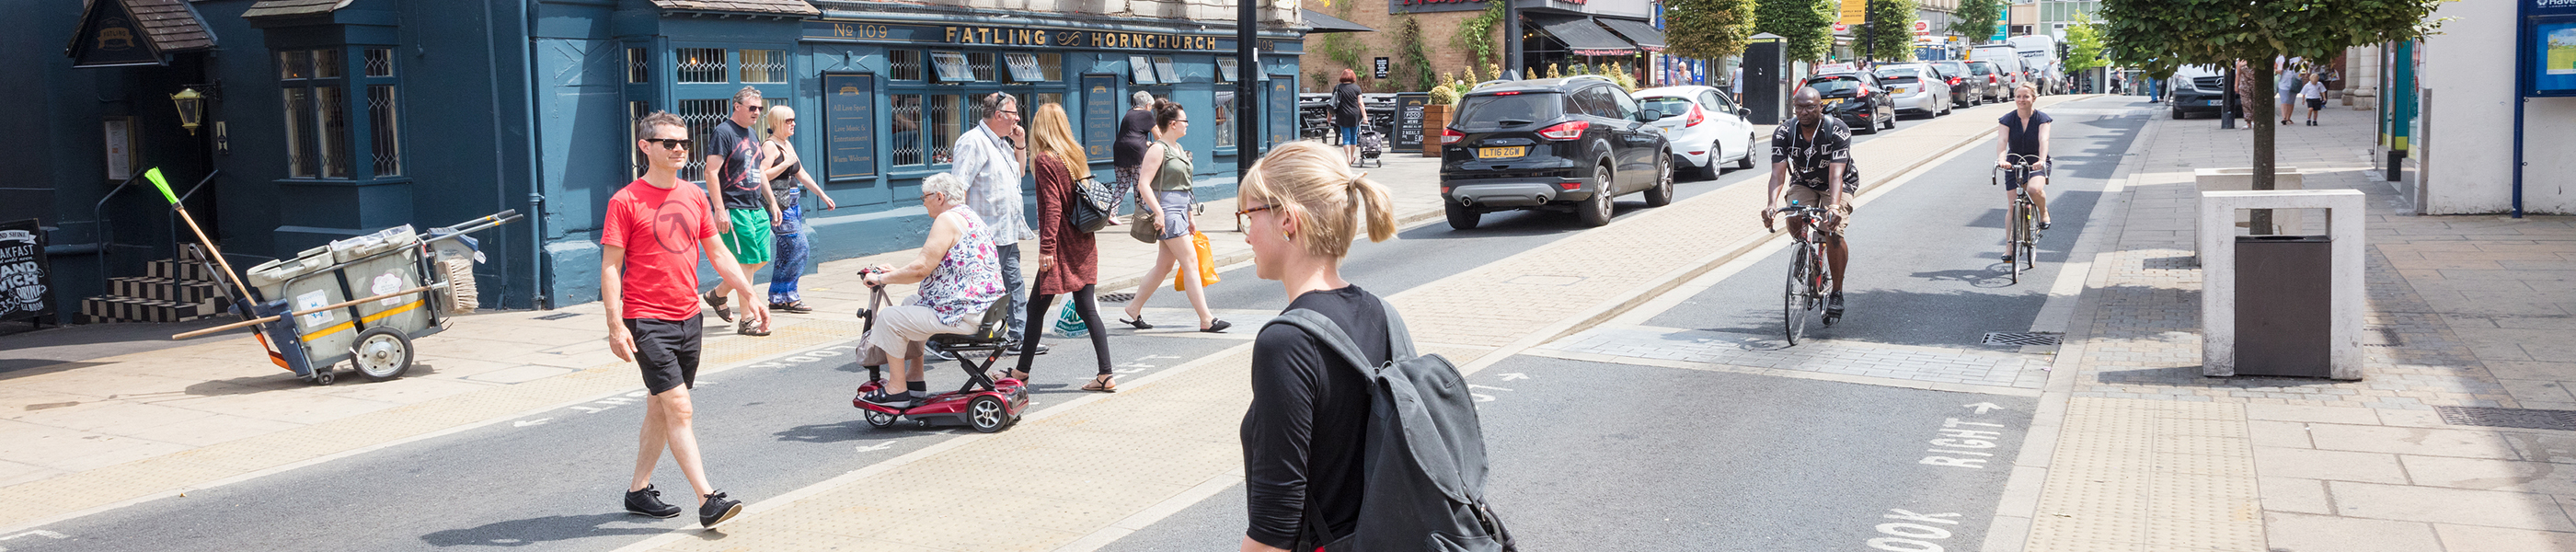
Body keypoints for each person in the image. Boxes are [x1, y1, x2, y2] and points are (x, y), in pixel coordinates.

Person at [604, 111, 768, 528]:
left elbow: (717, 252)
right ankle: (708, 499)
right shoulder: (625, 201)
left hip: (688, 316)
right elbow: (610, 267)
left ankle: (638, 491)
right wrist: (615, 324)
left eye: (684, 143)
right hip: (646, 318)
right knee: (680, 407)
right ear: (646, 147)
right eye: (669, 144)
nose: (680, 150)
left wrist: (749, 294)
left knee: (660, 408)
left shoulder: (694, 196)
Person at [1235, 141, 1399, 552]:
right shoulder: (1380, 313)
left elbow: (1274, 527)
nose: (1246, 234)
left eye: (1248, 215)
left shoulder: (1286, 343)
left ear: (1287, 220)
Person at [857, 173, 1007, 408]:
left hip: (966, 314)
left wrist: (881, 278)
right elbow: (940, 268)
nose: (923, 201)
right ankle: (915, 380)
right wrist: (897, 271)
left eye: (925, 196)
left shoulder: (946, 220)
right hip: (986, 311)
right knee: (911, 302)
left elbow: (920, 268)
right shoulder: (969, 216)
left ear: (939, 197)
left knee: (889, 318)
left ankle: (897, 390)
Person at [1013, 103, 1118, 392]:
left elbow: (1053, 207)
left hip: (1060, 245)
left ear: (1040, 127)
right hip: (1083, 241)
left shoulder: (1046, 159)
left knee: (1035, 309)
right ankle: (1106, 374)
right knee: (1087, 308)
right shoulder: (1074, 153)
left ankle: (1021, 372)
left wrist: (1046, 248)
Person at [1117, 100, 1229, 333]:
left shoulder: (1178, 149)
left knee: (1164, 266)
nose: (1188, 125)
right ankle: (1206, 319)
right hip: (1167, 212)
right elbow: (1143, 184)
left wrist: (1190, 214)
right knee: (1190, 262)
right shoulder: (1158, 149)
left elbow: (1184, 186)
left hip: (1179, 211)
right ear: (1173, 123)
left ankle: (1133, 308)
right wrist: (1159, 212)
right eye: (1185, 121)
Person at [949, 92, 1041, 352]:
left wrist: (1020, 144)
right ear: (999, 115)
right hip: (985, 234)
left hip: (1007, 230)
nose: (1018, 119)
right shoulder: (973, 142)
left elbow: (1020, 172)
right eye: (1014, 114)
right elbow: (958, 187)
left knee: (1014, 285)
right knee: (973, 289)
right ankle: (941, 336)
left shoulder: (1002, 143)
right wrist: (963, 231)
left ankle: (1019, 336)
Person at [1761, 86, 1859, 319]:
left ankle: (1836, 291)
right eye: (1799, 107)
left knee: (1832, 231)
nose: (1804, 112)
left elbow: (1836, 175)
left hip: (1838, 183)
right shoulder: (1784, 132)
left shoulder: (1837, 130)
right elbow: (1778, 174)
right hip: (1804, 181)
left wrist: (1833, 207)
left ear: (1820, 107)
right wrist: (1771, 204)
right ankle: (1807, 255)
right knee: (1793, 216)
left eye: (1810, 107)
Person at [701, 86, 779, 337]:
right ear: (737, 107)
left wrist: (772, 202)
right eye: (752, 108)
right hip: (734, 207)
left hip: (756, 206)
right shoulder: (724, 132)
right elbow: (710, 171)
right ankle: (747, 319)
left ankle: (718, 294)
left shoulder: (752, 134)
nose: (757, 112)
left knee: (761, 259)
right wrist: (720, 209)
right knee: (745, 262)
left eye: (759, 108)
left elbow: (758, 172)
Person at [757, 105, 837, 314]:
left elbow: (801, 174)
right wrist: (785, 165)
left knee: (786, 252)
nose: (793, 124)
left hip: (793, 203)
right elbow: (762, 175)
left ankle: (777, 297)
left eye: (793, 120)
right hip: (780, 206)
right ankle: (790, 296)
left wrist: (822, 194)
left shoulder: (786, 144)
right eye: (788, 121)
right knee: (800, 249)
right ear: (776, 123)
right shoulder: (770, 146)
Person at [1995, 82, 2055, 259]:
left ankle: (2043, 212)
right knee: (2012, 206)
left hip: (2035, 161)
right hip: (2013, 163)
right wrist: (2001, 159)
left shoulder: (2042, 119)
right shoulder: (2007, 119)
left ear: (2034, 99)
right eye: (2018, 97)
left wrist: (2041, 160)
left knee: (2033, 190)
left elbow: (2044, 140)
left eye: (2026, 96)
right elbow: (2002, 141)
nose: (2022, 100)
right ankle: (2009, 249)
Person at [1112, 91, 1158, 222]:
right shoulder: (1146, 114)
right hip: (1136, 154)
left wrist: (1145, 142)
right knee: (1140, 185)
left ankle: (1111, 213)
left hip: (1120, 151)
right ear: (1148, 105)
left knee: (1122, 184)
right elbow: (1158, 135)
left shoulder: (1128, 114)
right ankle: (1140, 214)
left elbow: (1131, 134)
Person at [1332, 69, 1364, 167]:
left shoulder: (1338, 87)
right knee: (1353, 136)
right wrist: (1365, 117)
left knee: (1346, 137)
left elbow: (1332, 103)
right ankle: (1352, 156)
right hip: (1355, 114)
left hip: (1342, 114)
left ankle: (1348, 159)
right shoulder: (1357, 88)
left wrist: (1329, 116)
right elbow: (1360, 103)